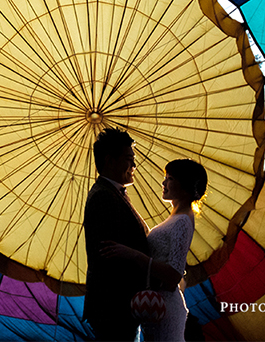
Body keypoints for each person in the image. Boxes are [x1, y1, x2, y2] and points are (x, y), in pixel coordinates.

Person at [83, 129, 181, 341]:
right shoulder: (104, 198)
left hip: (120, 309)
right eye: (129, 160)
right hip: (114, 311)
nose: (134, 167)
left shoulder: (114, 194)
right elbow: (110, 259)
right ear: (110, 161)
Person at [102, 158, 207, 342]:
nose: (163, 182)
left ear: (185, 186)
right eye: (165, 177)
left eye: (170, 178)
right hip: (155, 307)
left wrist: (134, 255)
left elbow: (174, 274)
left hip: (165, 309)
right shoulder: (176, 217)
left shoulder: (182, 221)